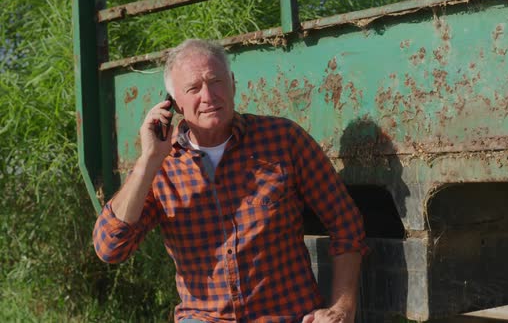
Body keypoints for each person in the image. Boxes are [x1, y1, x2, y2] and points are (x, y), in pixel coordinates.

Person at [93, 39, 368, 323]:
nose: (209, 96)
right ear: (173, 103)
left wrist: (341, 309)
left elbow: (345, 221)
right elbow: (111, 248)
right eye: (193, 88)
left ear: (233, 85)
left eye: (216, 81)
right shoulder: (160, 167)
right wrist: (148, 160)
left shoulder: (282, 139)